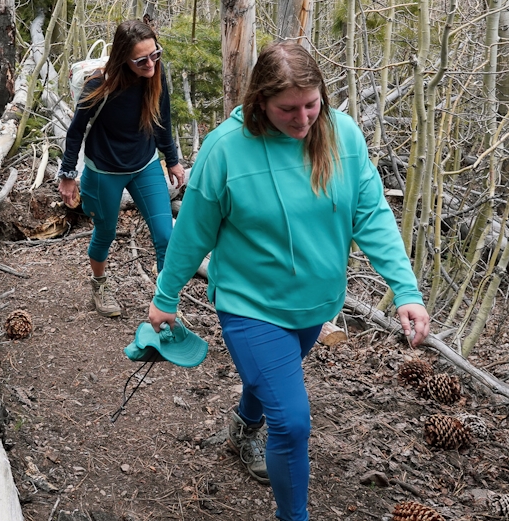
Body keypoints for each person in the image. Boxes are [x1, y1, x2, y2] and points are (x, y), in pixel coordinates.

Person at [147, 41, 429, 521]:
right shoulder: (226, 150)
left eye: (312, 105)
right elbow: (192, 232)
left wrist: (405, 289)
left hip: (314, 305)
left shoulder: (342, 137)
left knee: (272, 382)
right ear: (260, 102)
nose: (303, 120)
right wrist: (165, 295)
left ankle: (243, 425)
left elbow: (373, 214)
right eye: (288, 109)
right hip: (249, 303)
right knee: (293, 422)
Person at [57, 19, 187, 317]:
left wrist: (173, 158)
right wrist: (67, 176)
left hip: (145, 164)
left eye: (155, 54)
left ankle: (166, 303)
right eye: (141, 60)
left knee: (165, 236)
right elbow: (76, 131)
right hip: (104, 170)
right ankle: (100, 284)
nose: (151, 63)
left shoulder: (155, 74)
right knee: (106, 233)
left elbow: (162, 118)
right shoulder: (99, 85)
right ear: (123, 59)